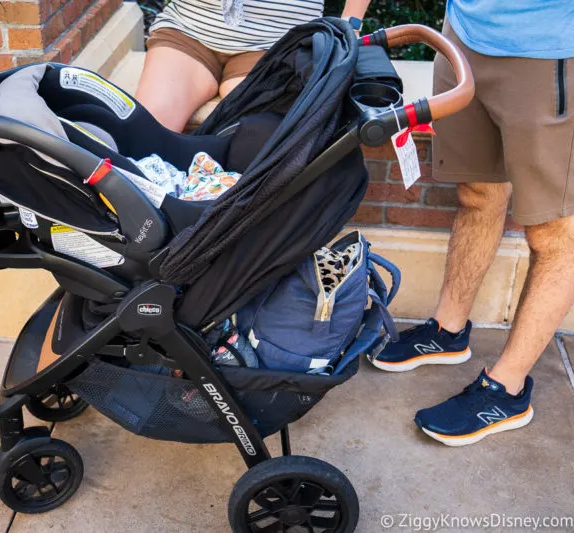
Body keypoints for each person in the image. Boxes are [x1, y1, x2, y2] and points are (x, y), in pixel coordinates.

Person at [371, 0, 574, 446]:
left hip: (549, 52)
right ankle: (448, 331)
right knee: (476, 193)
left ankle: (509, 389)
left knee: (553, 234)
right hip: (463, 34)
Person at [135, 0, 371, 132]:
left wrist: (350, 24)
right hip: (189, 30)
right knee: (145, 132)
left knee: (254, 138)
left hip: (279, 43)